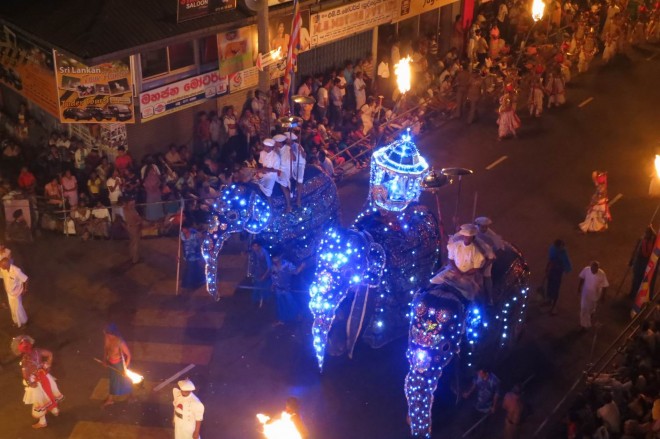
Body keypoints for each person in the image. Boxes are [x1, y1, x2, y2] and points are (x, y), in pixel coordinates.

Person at [11, 335, 63, 429]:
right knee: (50, 393)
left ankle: (43, 422)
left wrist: (30, 383)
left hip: (37, 382)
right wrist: (48, 364)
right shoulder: (37, 351)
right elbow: (50, 354)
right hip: (46, 378)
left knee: (39, 402)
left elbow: (26, 375)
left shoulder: (25, 361)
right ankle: (55, 411)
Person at [431, 224, 488, 302]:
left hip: (467, 276)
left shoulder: (477, 252)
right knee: (433, 280)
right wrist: (457, 272)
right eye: (466, 236)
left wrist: (462, 274)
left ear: (472, 237)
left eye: (469, 237)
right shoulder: (455, 245)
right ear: (463, 236)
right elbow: (451, 260)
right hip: (452, 271)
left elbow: (476, 268)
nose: (467, 238)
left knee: (471, 295)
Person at [102, 323, 135, 407]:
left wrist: (125, 368)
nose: (107, 335)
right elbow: (106, 349)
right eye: (106, 334)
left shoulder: (120, 341)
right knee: (113, 382)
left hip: (120, 365)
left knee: (126, 381)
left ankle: (131, 396)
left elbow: (128, 355)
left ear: (113, 333)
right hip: (111, 364)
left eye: (108, 334)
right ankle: (110, 399)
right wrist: (105, 360)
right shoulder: (107, 338)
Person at [473, 217, 502, 304]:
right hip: (474, 255)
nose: (484, 228)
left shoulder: (492, 235)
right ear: (478, 225)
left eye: (486, 226)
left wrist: (486, 263)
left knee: (487, 276)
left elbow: (497, 249)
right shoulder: (473, 229)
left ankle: (489, 298)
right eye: (482, 226)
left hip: (487, 256)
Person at [270, 252, 304, 326]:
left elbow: (296, 272)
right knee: (280, 305)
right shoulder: (273, 266)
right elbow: (273, 276)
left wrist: (301, 267)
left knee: (291, 302)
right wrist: (273, 285)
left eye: (276, 258)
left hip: (286, 288)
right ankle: (282, 320)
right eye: (273, 258)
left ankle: (298, 315)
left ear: (280, 257)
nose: (274, 260)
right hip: (278, 289)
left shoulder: (287, 265)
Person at [577, 261, 609, 330]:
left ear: (598, 268)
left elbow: (605, 286)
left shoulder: (602, 274)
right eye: (592, 269)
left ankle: (587, 321)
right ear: (590, 267)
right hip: (585, 293)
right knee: (584, 308)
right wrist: (579, 287)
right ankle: (584, 325)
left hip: (595, 295)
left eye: (595, 269)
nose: (593, 271)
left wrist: (603, 296)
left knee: (590, 309)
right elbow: (582, 278)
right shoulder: (586, 269)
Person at [545, 239, 572, 315]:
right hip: (553, 270)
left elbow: (565, 262)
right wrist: (547, 269)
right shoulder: (555, 250)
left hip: (557, 272)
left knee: (555, 288)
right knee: (550, 286)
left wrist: (547, 269)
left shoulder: (561, 252)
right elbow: (551, 260)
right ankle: (550, 300)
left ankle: (553, 305)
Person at [629, 227, 657, 297]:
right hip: (639, 261)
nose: (646, 234)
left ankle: (639, 294)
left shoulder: (653, 241)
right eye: (646, 233)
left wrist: (652, 229)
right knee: (636, 278)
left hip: (646, 262)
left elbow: (657, 237)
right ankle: (633, 292)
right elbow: (636, 249)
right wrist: (632, 260)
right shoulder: (641, 240)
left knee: (643, 279)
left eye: (648, 233)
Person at [1, 256, 28, 328]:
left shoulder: (16, 270)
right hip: (9, 293)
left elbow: (25, 279)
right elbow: (3, 277)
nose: (1, 267)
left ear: (6, 265)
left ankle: (23, 322)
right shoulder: (3, 269)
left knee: (18, 308)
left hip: (16, 293)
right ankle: (16, 322)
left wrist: (25, 289)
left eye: (2, 265)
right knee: (12, 308)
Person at [273, 134, 293, 213]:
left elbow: (284, 163)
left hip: (286, 171)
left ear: (279, 142)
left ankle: (289, 206)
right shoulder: (278, 149)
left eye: (276, 142)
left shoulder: (287, 149)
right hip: (281, 170)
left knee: (284, 187)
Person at [249, 240, 271, 308]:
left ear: (259, 246)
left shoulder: (264, 252)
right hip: (257, 272)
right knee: (257, 287)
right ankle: (256, 302)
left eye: (256, 246)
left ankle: (264, 303)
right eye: (253, 246)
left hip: (264, 272)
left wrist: (264, 276)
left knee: (264, 288)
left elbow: (269, 266)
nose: (254, 248)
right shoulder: (254, 251)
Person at [123, 198, 143, 264]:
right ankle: (135, 259)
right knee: (135, 243)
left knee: (132, 242)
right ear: (129, 203)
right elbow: (138, 219)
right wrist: (139, 222)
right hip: (134, 228)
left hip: (129, 228)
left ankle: (132, 256)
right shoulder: (132, 211)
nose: (133, 205)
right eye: (132, 203)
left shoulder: (124, 209)